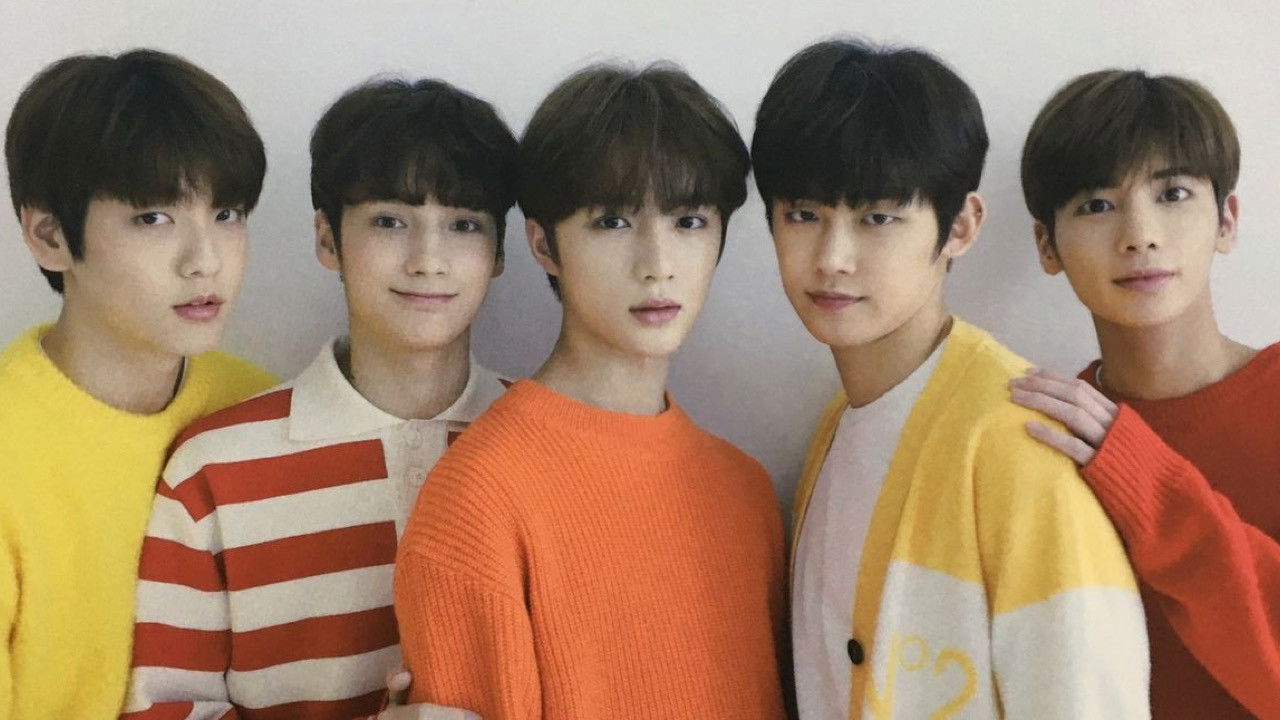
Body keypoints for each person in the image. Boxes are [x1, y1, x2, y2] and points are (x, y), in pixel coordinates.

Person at [752, 39, 1150, 718]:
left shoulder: (1017, 440)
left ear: (961, 226)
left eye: (877, 217)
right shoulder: (836, 430)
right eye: (803, 215)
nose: (833, 257)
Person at [393, 62, 788, 720]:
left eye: (689, 221)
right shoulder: (479, 498)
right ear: (543, 244)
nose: (657, 264)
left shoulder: (746, 493)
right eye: (612, 222)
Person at [119, 77, 518, 720]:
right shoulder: (212, 470)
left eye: (464, 225)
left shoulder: (550, 446)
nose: (428, 260)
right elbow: (165, 709)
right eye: (390, 221)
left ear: (499, 251)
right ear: (328, 239)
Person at [0, 49, 276, 718]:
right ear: (49, 236)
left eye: (227, 213)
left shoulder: (259, 412)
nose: (205, 261)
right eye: (154, 218)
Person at [1012, 68, 1280, 719]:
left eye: (1173, 193)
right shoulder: (1045, 435)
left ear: (1227, 220)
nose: (1140, 234)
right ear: (1047, 245)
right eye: (1096, 205)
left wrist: (1144, 478)